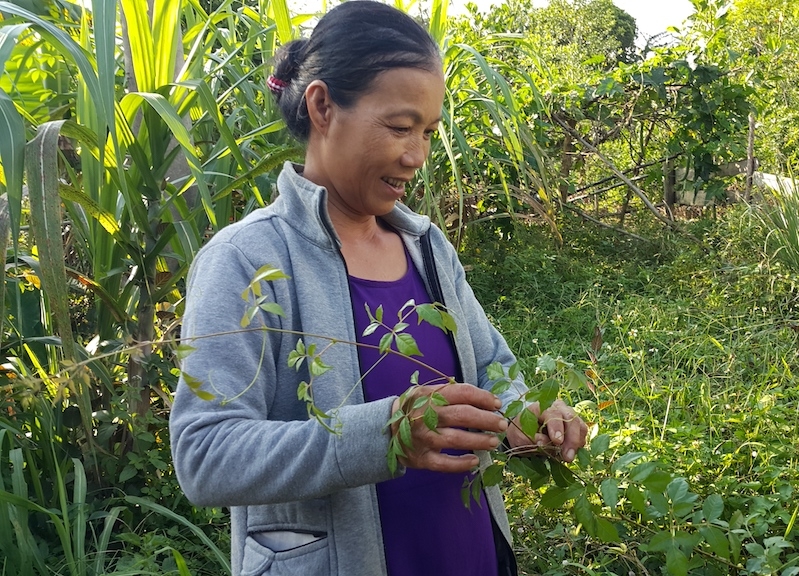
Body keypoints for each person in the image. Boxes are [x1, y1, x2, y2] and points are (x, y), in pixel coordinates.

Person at [168, 2, 588, 575]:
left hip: (464, 552)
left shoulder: (427, 247)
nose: (416, 156)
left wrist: (526, 411)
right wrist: (383, 433)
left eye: (428, 132)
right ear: (322, 106)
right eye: (399, 127)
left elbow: (492, 367)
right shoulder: (247, 260)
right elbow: (205, 457)